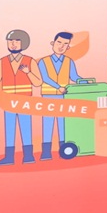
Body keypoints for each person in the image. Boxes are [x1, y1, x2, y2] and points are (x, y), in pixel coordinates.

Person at [0, 29, 43, 165]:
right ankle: (9, 157)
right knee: (9, 129)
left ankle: (28, 155)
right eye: (10, 41)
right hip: (8, 101)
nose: (13, 44)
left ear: (24, 43)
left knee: (25, 127)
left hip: (24, 101)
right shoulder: (3, 61)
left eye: (17, 41)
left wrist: (28, 72)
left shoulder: (30, 61)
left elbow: (38, 82)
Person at [37, 31, 85, 160]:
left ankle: (63, 149)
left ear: (68, 47)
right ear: (52, 43)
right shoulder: (43, 61)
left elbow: (74, 76)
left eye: (65, 44)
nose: (61, 46)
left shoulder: (69, 61)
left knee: (63, 124)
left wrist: (84, 81)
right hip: (48, 96)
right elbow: (45, 78)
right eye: (59, 42)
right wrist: (59, 87)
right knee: (48, 123)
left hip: (64, 97)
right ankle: (46, 152)